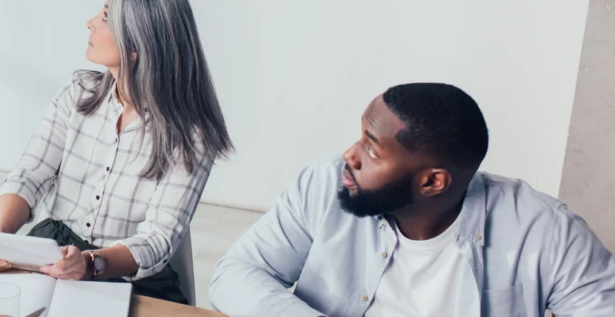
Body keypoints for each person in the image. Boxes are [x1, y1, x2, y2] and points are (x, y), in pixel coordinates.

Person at [207, 83, 615, 316]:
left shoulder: (546, 231)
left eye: (372, 150)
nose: (349, 155)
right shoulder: (326, 184)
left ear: (433, 181)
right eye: (360, 137)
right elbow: (237, 273)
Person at [0, 0, 233, 304]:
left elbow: (157, 239)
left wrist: (91, 264)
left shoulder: (192, 137)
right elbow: (30, 175)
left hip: (130, 276)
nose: (90, 22)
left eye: (106, 17)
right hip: (53, 253)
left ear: (136, 46)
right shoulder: (77, 92)